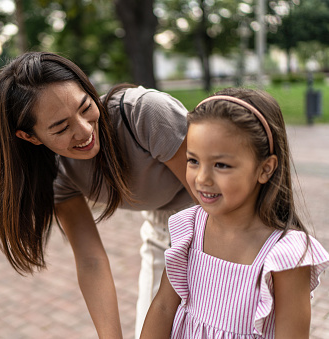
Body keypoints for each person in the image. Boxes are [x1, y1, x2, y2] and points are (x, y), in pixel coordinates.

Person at [0, 51, 195, 338]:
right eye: (61, 127)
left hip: (220, 222)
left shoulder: (145, 113)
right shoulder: (56, 175)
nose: (85, 130)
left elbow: (214, 200)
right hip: (164, 231)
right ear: (30, 137)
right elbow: (91, 260)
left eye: (86, 107)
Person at [140, 88, 329, 339]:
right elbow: (164, 307)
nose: (202, 178)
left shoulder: (285, 255)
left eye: (221, 165)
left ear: (265, 168)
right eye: (193, 160)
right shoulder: (189, 228)